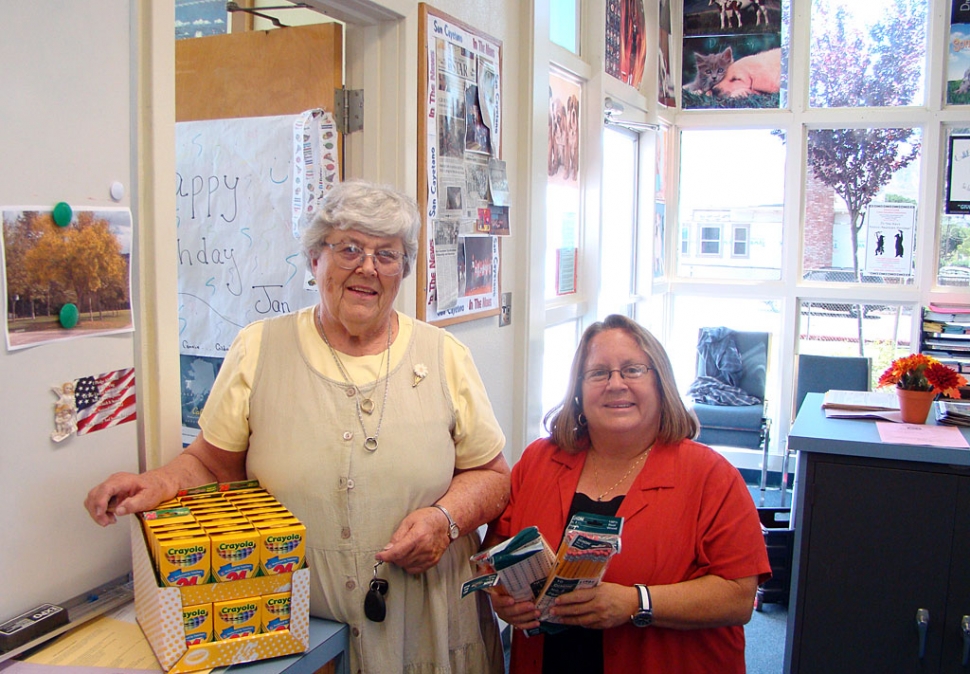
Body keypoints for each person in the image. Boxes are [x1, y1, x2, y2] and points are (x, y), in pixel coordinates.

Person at [85, 180, 511, 674]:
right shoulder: (259, 349)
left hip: (428, 628)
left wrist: (445, 519)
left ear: (403, 270)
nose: (367, 267)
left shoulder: (445, 356)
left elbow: (494, 476)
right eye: (349, 248)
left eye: (387, 255)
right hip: (297, 633)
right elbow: (209, 463)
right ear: (315, 259)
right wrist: (155, 483)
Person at [485, 314, 770, 674]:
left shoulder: (711, 477)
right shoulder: (539, 461)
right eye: (598, 373)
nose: (615, 384)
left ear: (661, 383)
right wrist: (503, 600)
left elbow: (738, 596)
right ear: (578, 391)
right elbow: (498, 553)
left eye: (633, 370)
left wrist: (637, 602)